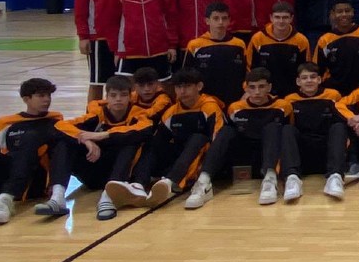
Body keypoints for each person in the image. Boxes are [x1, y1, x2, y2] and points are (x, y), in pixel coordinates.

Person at [112, 69, 224, 210]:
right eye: (179, 87)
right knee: (151, 142)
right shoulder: (171, 112)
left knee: (197, 138)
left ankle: (171, 181)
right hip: (179, 157)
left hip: (202, 160)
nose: (182, 91)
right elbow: (158, 143)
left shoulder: (209, 107)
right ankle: (138, 184)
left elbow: (216, 140)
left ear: (199, 86)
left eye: (187, 86)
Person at [184, 68, 291, 208]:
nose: (257, 92)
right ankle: (204, 181)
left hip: (270, 156)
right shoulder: (235, 108)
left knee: (273, 128)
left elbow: (288, 137)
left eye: (261, 87)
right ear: (246, 88)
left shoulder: (283, 106)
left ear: (269, 87)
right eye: (252, 87)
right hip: (243, 158)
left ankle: (270, 181)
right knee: (226, 130)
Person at [57, 75, 154, 220]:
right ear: (106, 97)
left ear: (130, 97)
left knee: (131, 140)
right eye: (113, 95)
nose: (118, 99)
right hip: (93, 169)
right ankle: (57, 196)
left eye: (123, 95)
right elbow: (60, 125)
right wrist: (86, 141)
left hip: (119, 174)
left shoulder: (138, 114)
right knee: (64, 142)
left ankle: (108, 197)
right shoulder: (97, 113)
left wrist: (103, 135)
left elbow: (145, 129)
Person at [0, 78, 70, 224]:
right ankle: (4, 195)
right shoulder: (6, 123)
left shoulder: (55, 121)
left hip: (35, 182)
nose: (47, 100)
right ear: (26, 99)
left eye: (48, 95)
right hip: (8, 176)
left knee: (30, 141)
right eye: (41, 96)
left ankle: (6, 198)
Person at [277, 63, 345, 201]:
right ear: (298, 81)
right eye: (304, 78)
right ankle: (292, 178)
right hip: (302, 151)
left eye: (313, 77)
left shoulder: (333, 95)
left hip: (326, 149)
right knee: (287, 129)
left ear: (319, 79)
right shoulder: (289, 100)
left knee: (339, 126)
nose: (309, 81)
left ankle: (335, 176)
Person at [183, 2, 248, 106]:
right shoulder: (195, 45)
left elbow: (247, 73)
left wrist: (247, 93)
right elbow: (186, 77)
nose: (220, 22)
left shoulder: (239, 44)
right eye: (216, 18)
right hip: (206, 103)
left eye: (224, 18)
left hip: (235, 101)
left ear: (229, 20)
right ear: (207, 21)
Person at [246, 1, 311, 98]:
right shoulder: (258, 38)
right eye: (277, 17)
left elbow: (305, 69)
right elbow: (249, 68)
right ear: (271, 18)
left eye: (285, 17)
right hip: (264, 94)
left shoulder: (301, 40)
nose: (281, 21)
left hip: (293, 93)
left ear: (291, 18)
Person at [314, 0, 359, 95]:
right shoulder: (325, 40)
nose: (344, 14)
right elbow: (317, 70)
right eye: (339, 12)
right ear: (333, 14)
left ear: (353, 12)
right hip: (335, 92)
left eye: (347, 11)